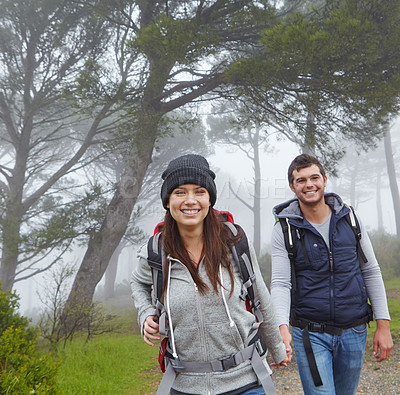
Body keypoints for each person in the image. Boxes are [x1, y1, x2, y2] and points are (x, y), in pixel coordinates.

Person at [131, 154, 288, 395]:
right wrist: (145, 313)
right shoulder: (155, 251)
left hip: (245, 379)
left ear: (210, 199)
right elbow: (139, 283)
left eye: (199, 191)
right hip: (185, 384)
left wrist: (277, 350)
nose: (190, 200)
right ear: (167, 200)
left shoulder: (234, 241)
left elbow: (260, 294)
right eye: (180, 192)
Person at [270, 153, 393, 395]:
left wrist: (383, 325)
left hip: (355, 330)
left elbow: (371, 271)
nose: (309, 185)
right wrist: (282, 328)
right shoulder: (284, 229)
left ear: (325, 180)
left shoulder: (350, 219)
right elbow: (280, 283)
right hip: (310, 334)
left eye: (314, 177)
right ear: (292, 186)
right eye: (301, 180)